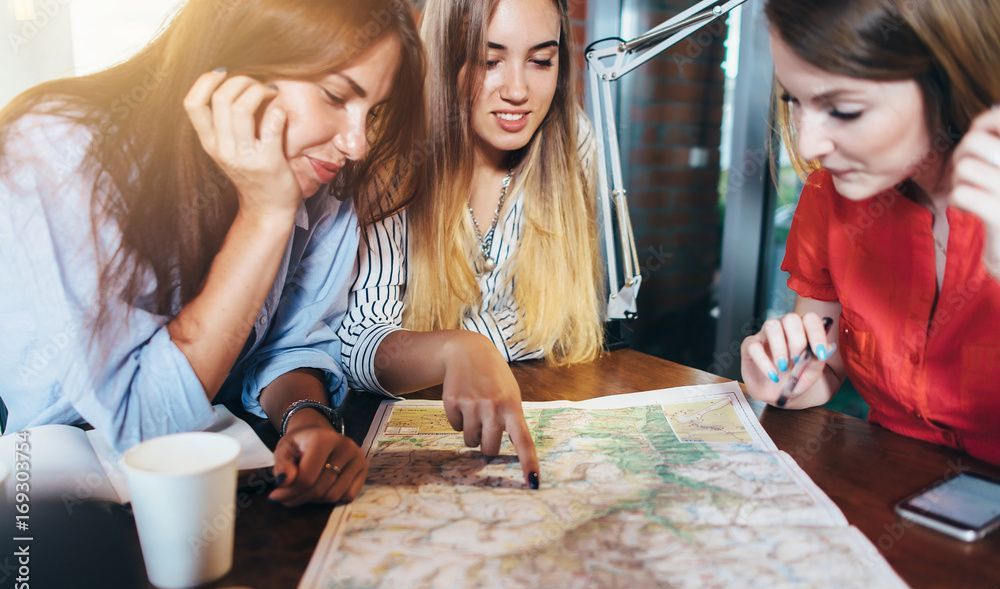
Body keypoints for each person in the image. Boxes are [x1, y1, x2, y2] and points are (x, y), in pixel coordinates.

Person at [0, 0, 425, 505]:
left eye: (373, 112)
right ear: (234, 71)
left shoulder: (326, 184)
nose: (356, 144)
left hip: (208, 482)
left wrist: (306, 420)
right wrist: (266, 215)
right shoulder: (57, 146)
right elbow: (146, 425)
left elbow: (289, 344)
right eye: (335, 96)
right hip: (40, 477)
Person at [338, 0, 605, 488]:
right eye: (489, 60)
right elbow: (356, 343)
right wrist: (456, 351)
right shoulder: (391, 149)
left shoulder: (574, 141)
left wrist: (471, 347)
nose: (519, 90)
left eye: (541, 61)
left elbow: (561, 315)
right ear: (444, 57)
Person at [742, 0, 1000, 465]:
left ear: (951, 78)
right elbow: (826, 366)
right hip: (892, 488)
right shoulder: (831, 197)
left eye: (843, 110)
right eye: (795, 101)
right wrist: (785, 382)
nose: (808, 145)